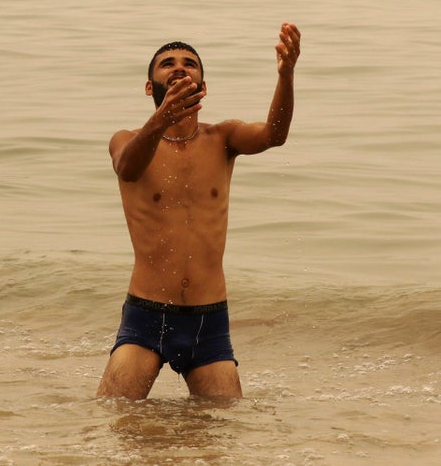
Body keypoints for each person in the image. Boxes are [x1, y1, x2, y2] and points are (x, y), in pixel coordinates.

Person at [97, 23, 301, 400]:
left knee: (221, 438)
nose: (179, 67)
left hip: (209, 320)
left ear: (202, 87)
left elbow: (275, 134)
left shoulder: (223, 138)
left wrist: (286, 75)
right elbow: (127, 167)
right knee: (115, 423)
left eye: (189, 64)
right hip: (147, 315)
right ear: (149, 87)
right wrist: (162, 117)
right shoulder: (127, 140)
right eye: (167, 64)